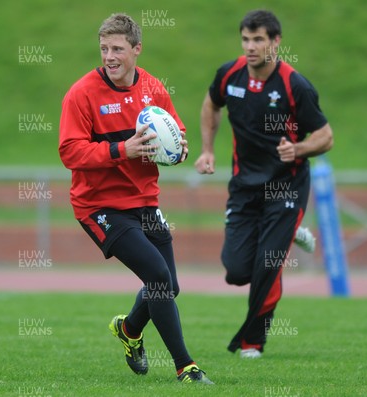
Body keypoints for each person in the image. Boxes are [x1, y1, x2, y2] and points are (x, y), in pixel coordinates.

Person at [59, 13, 213, 384]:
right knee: (158, 276)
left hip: (144, 201)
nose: (109, 56)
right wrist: (120, 150)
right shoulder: (81, 94)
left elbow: (175, 132)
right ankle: (185, 367)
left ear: (136, 50)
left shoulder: (153, 88)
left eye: (117, 49)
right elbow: (70, 152)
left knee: (169, 285)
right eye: (103, 49)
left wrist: (178, 147)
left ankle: (129, 329)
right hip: (99, 206)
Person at [194, 9, 333, 358]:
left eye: (258, 39)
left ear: (275, 42)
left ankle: (253, 342)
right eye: (246, 39)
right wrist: (207, 150)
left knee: (268, 265)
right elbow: (211, 105)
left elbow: (326, 136)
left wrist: (298, 148)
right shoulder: (229, 75)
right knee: (238, 271)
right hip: (244, 186)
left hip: (286, 186)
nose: (251, 46)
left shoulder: (294, 85)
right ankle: (291, 233)